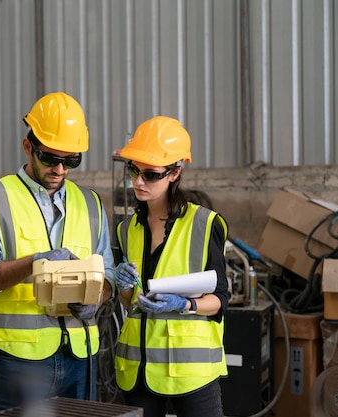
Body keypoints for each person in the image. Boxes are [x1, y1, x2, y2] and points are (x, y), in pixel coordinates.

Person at [0, 91, 116, 412]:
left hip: (80, 355)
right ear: (28, 147)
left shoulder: (90, 204)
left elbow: (109, 276)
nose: (60, 168)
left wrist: (96, 298)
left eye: (71, 160)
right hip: (21, 361)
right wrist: (36, 263)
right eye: (50, 157)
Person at [113, 115, 229, 417]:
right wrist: (124, 289)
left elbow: (220, 301)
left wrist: (185, 303)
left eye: (150, 174)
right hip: (137, 370)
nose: (138, 181)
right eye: (133, 170)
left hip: (190, 374)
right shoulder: (127, 229)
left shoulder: (205, 225)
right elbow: (130, 306)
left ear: (175, 172)